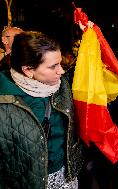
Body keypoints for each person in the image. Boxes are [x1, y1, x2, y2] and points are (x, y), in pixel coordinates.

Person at [0, 31, 83, 189]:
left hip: (66, 175)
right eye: (53, 66)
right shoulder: (4, 103)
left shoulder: (62, 85)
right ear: (29, 70)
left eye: (60, 63)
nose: (61, 71)